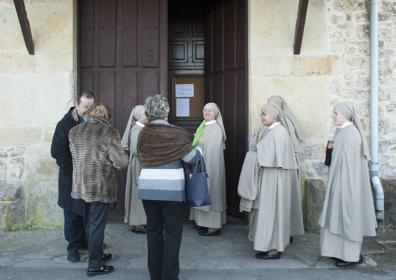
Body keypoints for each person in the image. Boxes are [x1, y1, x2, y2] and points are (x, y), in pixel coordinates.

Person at [137, 95, 202, 280]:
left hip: (148, 187)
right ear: (166, 111)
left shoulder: (143, 133)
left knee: (153, 230)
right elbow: (192, 159)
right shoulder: (177, 133)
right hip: (171, 190)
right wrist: (201, 146)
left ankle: (155, 275)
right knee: (173, 232)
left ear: (148, 112)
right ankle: (170, 276)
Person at [69, 103, 129, 276]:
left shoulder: (75, 131)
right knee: (97, 225)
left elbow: (75, 156)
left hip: (81, 184)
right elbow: (121, 162)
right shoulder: (109, 132)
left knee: (89, 223)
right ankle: (95, 265)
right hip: (100, 185)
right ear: (105, 116)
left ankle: (97, 255)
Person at [319, 102, 377, 267]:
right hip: (338, 181)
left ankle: (350, 256)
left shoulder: (351, 134)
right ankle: (337, 252)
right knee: (336, 216)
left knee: (347, 217)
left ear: (345, 114)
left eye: (335, 113)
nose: (333, 115)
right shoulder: (341, 132)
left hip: (347, 184)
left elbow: (351, 167)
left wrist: (343, 186)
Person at [249, 102, 304, 260]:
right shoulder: (274, 131)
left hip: (275, 179)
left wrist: (256, 151)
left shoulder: (278, 132)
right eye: (261, 114)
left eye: (265, 114)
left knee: (272, 213)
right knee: (270, 213)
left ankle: (274, 249)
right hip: (271, 177)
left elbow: (265, 155)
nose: (262, 117)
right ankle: (269, 245)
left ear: (275, 115)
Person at [50, 91, 94, 262]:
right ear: (77, 104)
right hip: (71, 176)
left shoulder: (92, 121)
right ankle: (72, 248)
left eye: (91, 107)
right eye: (85, 107)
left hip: (88, 176)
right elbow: (57, 151)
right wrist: (72, 167)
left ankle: (86, 242)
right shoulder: (65, 123)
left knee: (86, 211)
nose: (88, 110)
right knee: (71, 212)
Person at [190, 102, 227, 236]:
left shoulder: (216, 128)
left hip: (211, 165)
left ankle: (213, 226)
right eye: (205, 110)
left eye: (210, 111)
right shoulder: (204, 126)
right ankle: (202, 223)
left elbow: (211, 151)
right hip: (202, 163)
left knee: (211, 193)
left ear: (216, 113)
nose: (207, 112)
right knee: (202, 191)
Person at [121, 105, 148, 234]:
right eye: (145, 114)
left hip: (142, 164)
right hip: (138, 165)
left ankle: (141, 221)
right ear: (138, 116)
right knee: (137, 194)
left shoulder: (141, 128)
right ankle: (138, 223)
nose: (147, 116)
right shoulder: (136, 130)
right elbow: (136, 151)